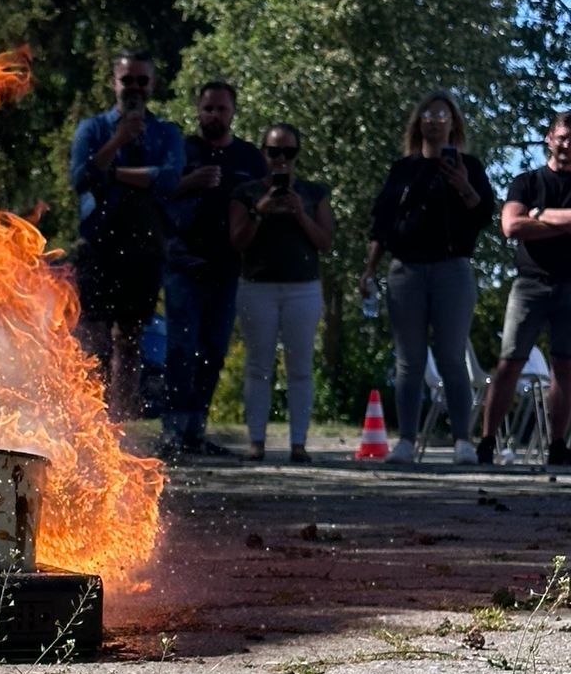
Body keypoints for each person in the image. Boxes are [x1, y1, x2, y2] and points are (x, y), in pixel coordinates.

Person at [361, 90, 494, 465]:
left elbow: (484, 215)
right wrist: (370, 268)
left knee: (452, 356)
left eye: (442, 115)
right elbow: (381, 223)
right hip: (406, 270)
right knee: (409, 359)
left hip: (453, 268)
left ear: (454, 124)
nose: (435, 120)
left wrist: (463, 184)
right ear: (418, 123)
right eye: (428, 114)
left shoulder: (470, 165)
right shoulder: (402, 170)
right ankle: (405, 440)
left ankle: (462, 441)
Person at [69, 52, 185, 420]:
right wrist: (118, 141)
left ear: (151, 85)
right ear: (113, 83)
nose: (134, 87)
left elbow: (169, 179)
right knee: (93, 338)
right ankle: (89, 415)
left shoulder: (166, 132)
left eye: (141, 80)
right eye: (127, 80)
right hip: (99, 244)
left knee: (130, 338)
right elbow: (81, 178)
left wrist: (114, 173)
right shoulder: (93, 130)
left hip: (145, 246)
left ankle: (121, 415)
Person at [161, 81, 266, 457]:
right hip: (182, 265)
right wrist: (190, 181)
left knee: (213, 351)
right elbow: (157, 192)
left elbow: (262, 205)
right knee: (180, 349)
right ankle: (173, 432)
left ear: (233, 112)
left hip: (226, 268)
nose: (214, 116)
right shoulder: (180, 151)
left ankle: (195, 431)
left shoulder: (249, 158)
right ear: (198, 110)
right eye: (208, 109)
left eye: (221, 109)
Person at [229, 124, 333, 462]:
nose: (281, 159)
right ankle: (256, 441)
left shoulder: (314, 193)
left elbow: (325, 242)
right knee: (258, 366)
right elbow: (237, 241)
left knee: (300, 367)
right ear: (264, 153)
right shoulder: (245, 193)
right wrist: (261, 210)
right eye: (274, 151)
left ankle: (298, 444)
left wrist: (299, 211)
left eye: (288, 152)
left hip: (303, 288)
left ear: (297, 155)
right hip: (257, 287)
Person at [477, 111, 571, 466]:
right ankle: (487, 441)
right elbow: (512, 226)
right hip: (529, 284)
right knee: (509, 363)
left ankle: (558, 445)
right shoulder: (526, 182)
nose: (567, 146)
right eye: (561, 138)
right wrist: (562, 221)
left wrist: (543, 215)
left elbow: (529, 221)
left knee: (564, 367)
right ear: (549, 138)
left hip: (569, 285)